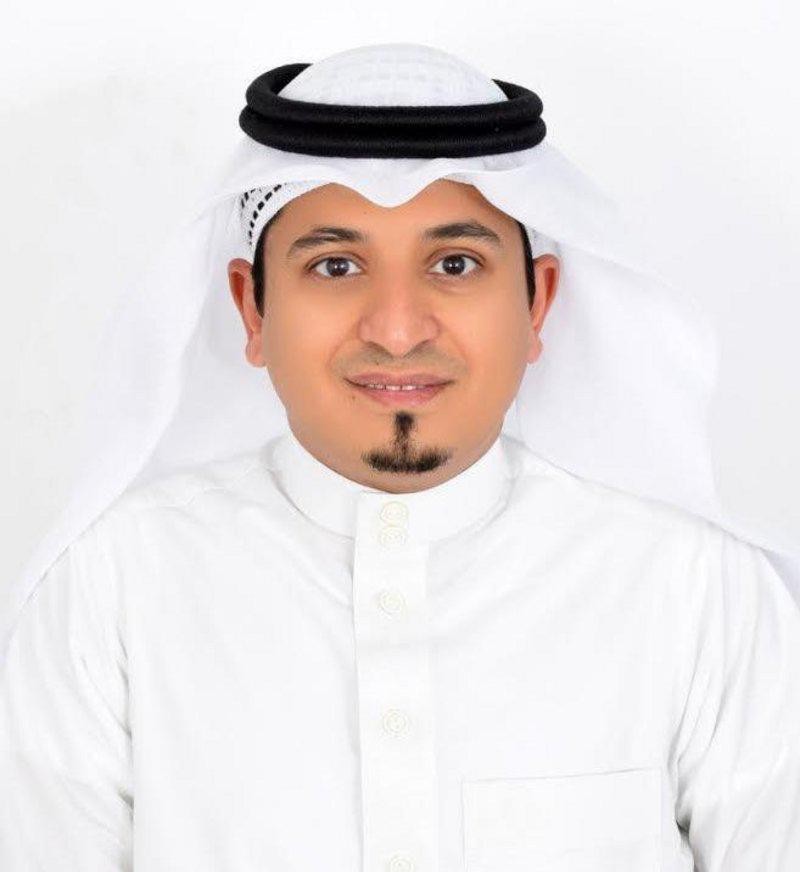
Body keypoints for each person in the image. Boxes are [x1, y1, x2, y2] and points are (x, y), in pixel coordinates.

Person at [1, 42, 798, 871]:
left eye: (455, 264)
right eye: (335, 265)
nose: (396, 329)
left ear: (537, 303)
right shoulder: (111, 592)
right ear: (252, 308)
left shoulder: (697, 590)